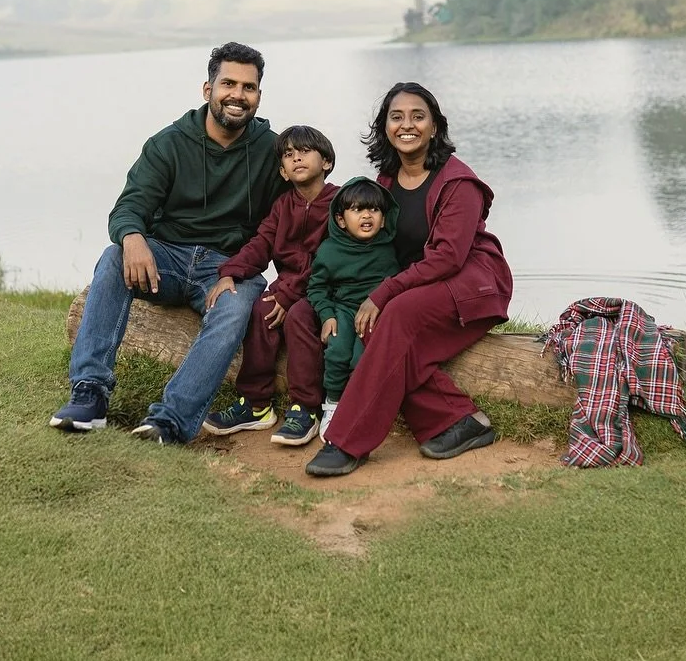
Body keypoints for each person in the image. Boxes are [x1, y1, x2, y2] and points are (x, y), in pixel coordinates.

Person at [50, 42, 283, 444]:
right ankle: (90, 394)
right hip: (167, 260)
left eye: (249, 87)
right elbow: (128, 208)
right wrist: (134, 238)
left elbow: (290, 222)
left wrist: (286, 282)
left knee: (235, 307)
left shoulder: (271, 150)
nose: (238, 95)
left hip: (229, 266)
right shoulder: (169, 143)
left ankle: (171, 420)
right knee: (113, 256)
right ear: (207, 89)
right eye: (228, 83)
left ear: (259, 96)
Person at [304, 82, 514, 477]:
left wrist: (383, 292)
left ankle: (346, 441)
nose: (407, 125)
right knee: (375, 326)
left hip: (474, 284)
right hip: (422, 285)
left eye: (418, 116)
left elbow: (448, 258)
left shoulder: (459, 183)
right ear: (384, 127)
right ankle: (461, 420)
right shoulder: (386, 182)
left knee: (392, 315)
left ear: (434, 126)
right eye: (396, 117)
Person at [201, 126, 339, 446]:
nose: (296, 158)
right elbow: (260, 243)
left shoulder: (338, 202)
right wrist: (230, 273)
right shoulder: (282, 206)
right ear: (283, 171)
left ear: (327, 161)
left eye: (304, 151)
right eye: (289, 155)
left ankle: (306, 407)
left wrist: (289, 295)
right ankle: (257, 406)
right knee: (260, 308)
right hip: (288, 285)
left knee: (298, 316)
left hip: (327, 287)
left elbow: (332, 258)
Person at [304, 177, 400, 440]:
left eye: (374, 209)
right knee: (337, 351)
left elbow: (395, 286)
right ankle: (332, 405)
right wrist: (327, 316)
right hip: (343, 311)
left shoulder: (388, 250)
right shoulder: (330, 251)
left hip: (375, 314)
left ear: (383, 217)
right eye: (357, 209)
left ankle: (357, 407)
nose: (367, 215)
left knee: (362, 360)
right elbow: (316, 287)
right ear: (341, 220)